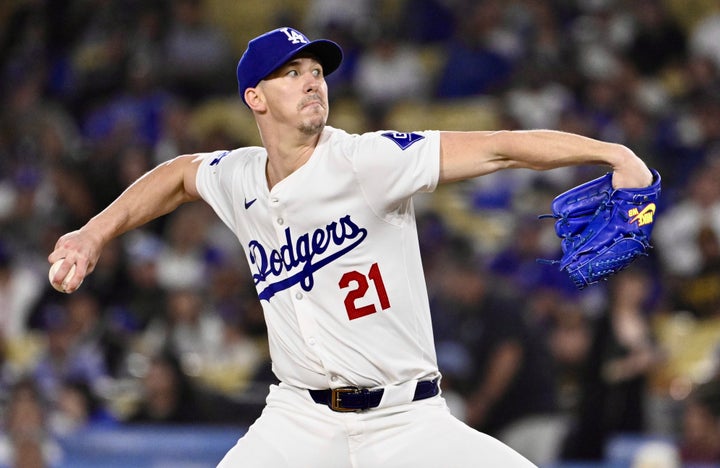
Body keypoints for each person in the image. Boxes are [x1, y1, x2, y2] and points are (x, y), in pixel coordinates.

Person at [48, 26, 654, 467]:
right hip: (299, 420)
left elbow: (498, 146)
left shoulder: (366, 160)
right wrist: (92, 232)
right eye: (293, 73)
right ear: (254, 98)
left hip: (405, 421)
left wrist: (610, 154)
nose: (312, 81)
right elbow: (179, 173)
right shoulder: (238, 177)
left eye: (317, 72)